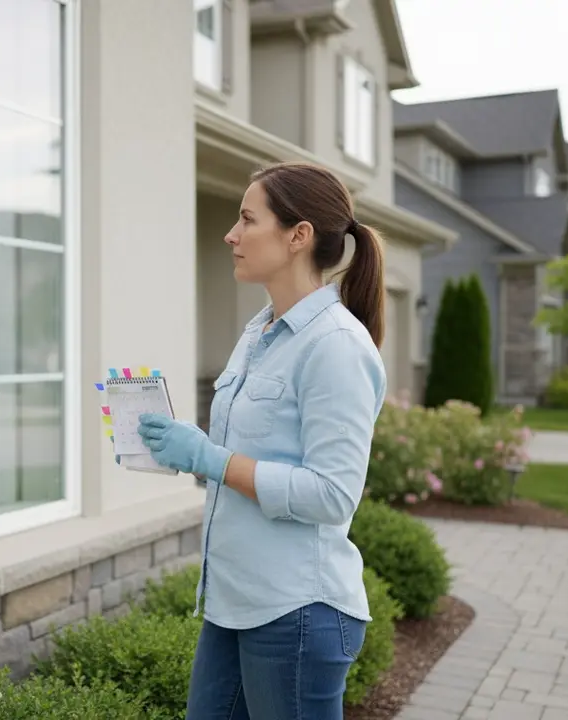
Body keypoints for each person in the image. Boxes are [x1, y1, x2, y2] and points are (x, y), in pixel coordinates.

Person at [137, 162, 388, 719]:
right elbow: (255, 452)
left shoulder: (337, 346)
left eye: (248, 219)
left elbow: (332, 495)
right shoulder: (260, 333)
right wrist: (186, 446)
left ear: (298, 236)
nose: (231, 234)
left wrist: (212, 458)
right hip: (233, 604)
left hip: (297, 611)